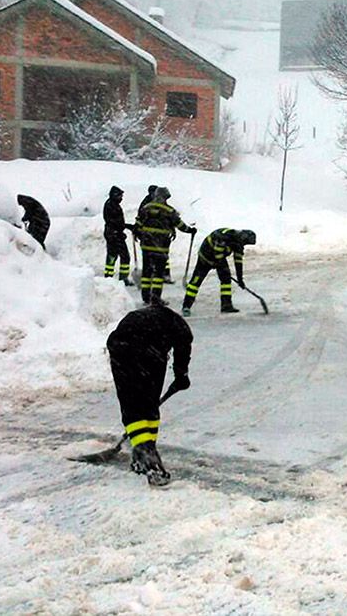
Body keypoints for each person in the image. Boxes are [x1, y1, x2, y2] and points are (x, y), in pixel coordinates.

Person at [106, 302, 193, 487]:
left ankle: (143, 454)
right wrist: (181, 375)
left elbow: (181, 348)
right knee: (144, 406)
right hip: (139, 349)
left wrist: (180, 375)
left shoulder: (155, 319)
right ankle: (147, 456)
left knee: (139, 405)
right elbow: (183, 349)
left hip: (123, 347)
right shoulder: (181, 329)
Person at [135, 187, 196, 304]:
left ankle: (146, 296)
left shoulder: (146, 208)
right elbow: (180, 225)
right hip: (160, 247)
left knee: (147, 272)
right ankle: (156, 298)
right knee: (158, 274)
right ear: (166, 197)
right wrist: (190, 230)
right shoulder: (169, 211)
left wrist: (139, 234)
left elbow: (138, 224)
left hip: (146, 246)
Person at [182, 228, 256, 316]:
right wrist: (220, 266)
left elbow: (238, 261)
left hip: (219, 257)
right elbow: (217, 255)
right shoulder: (223, 237)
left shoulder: (238, 243)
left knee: (226, 279)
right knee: (196, 282)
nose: (243, 245)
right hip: (205, 258)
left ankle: (226, 305)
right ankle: (186, 306)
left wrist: (240, 279)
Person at [103, 186, 135, 284]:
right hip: (114, 235)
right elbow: (113, 222)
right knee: (124, 257)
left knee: (112, 256)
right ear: (115, 195)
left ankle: (108, 277)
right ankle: (122, 278)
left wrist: (127, 226)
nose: (121, 198)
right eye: (120, 195)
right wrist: (124, 227)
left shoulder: (113, 204)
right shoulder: (111, 205)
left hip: (113, 234)